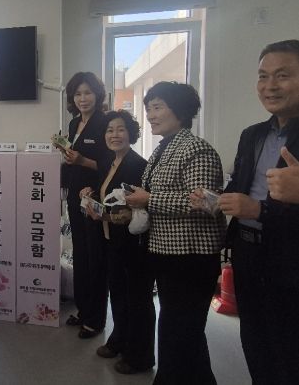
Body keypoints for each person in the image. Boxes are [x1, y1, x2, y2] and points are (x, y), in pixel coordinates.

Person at [126, 81, 226, 385]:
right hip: (168, 254)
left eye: (158, 107)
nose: (151, 115)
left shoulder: (196, 149)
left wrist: (149, 199)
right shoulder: (163, 147)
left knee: (177, 331)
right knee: (185, 332)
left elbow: (207, 204)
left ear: (180, 111)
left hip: (191, 256)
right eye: (148, 109)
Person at [212, 40, 299, 384]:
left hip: (290, 258)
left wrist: (259, 209)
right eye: (263, 76)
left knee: (288, 349)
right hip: (248, 252)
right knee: (255, 340)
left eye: (283, 75)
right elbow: (240, 185)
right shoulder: (252, 135)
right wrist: (217, 198)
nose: (270, 85)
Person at [79, 110, 155, 375]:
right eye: (110, 130)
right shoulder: (109, 163)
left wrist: (105, 216)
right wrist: (89, 195)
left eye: (120, 129)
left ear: (131, 133)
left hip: (133, 243)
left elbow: (138, 210)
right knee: (119, 295)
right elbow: (108, 198)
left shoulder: (138, 164)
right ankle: (119, 339)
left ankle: (140, 355)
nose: (114, 135)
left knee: (137, 299)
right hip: (111, 240)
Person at [62, 72, 110, 338]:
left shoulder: (106, 123)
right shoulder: (73, 123)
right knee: (80, 253)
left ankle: (96, 318)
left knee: (96, 258)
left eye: (87, 93)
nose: (83, 98)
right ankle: (83, 309)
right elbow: (73, 159)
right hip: (74, 196)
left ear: (97, 95)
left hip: (95, 198)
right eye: (78, 94)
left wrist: (82, 161)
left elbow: (111, 163)